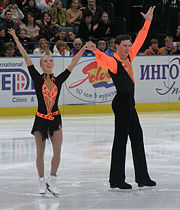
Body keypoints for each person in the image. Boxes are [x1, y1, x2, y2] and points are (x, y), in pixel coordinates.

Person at [8, 28, 88, 196]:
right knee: (40, 152)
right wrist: (15, 37)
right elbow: (26, 57)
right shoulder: (37, 79)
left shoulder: (59, 80)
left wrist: (83, 48)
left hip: (56, 119)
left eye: (51, 61)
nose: (49, 63)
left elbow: (73, 63)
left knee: (57, 151)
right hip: (40, 119)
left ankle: (52, 180)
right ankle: (41, 181)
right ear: (41, 65)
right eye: (45, 61)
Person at [86, 6, 156, 189]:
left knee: (137, 137)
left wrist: (147, 21)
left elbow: (141, 39)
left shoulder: (129, 57)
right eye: (124, 46)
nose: (128, 48)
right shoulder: (114, 61)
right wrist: (95, 51)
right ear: (116, 46)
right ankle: (116, 179)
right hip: (121, 103)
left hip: (129, 103)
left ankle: (142, 178)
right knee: (121, 140)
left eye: (129, 45)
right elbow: (102, 60)